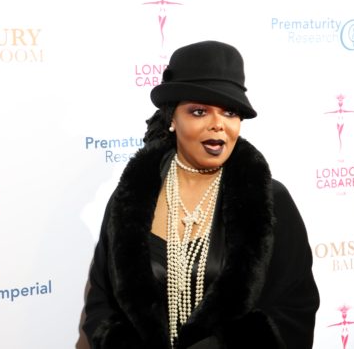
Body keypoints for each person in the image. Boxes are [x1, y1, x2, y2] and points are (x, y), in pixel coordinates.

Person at [82, 40, 320, 349]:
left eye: (230, 112)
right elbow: (103, 304)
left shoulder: (270, 200)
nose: (218, 125)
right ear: (171, 119)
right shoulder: (130, 198)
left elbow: (293, 311)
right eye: (199, 111)